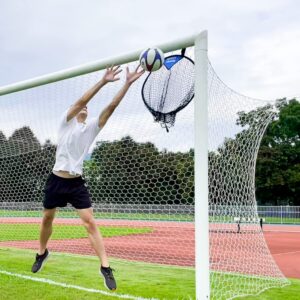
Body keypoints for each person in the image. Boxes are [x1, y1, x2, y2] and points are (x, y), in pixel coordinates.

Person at [31, 65, 145, 291]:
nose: (84, 107)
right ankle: (42, 253)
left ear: (88, 113)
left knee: (89, 223)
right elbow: (80, 100)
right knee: (46, 218)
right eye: (81, 106)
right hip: (56, 180)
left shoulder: (91, 128)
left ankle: (105, 267)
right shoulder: (64, 125)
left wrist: (127, 84)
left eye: (87, 108)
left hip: (75, 183)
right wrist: (103, 81)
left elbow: (110, 107)